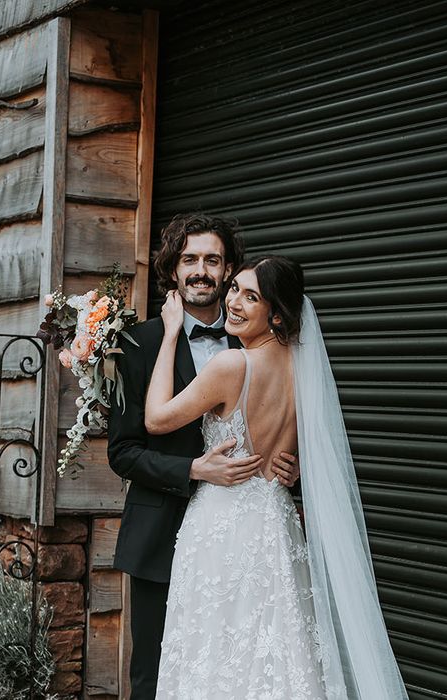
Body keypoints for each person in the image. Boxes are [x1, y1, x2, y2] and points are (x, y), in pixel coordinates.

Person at [145, 255, 408, 699]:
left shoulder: (232, 366)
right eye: (235, 290)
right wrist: (296, 464)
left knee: (215, 655)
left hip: (222, 528)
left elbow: (155, 419)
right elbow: (313, 448)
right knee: (277, 654)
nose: (235, 302)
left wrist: (170, 334)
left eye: (252, 297)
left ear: (277, 314)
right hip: (276, 523)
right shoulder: (303, 369)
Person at [107, 214, 300, 700]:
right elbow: (124, 452)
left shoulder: (254, 336)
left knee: (240, 670)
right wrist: (193, 468)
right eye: (189, 259)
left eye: (212, 260)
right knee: (156, 676)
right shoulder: (140, 343)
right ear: (173, 271)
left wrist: (293, 467)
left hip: (243, 540)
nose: (200, 270)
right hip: (160, 537)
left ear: (228, 270)